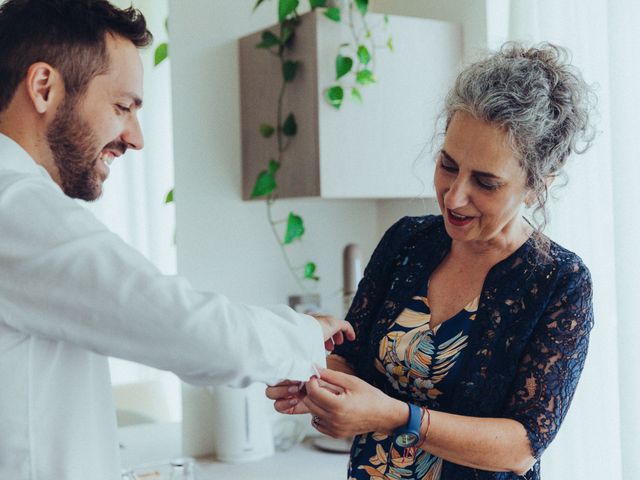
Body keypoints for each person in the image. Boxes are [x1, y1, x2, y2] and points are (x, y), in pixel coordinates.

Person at [0, 1, 354, 479]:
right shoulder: (17, 206)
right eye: (122, 107)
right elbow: (184, 327)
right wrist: (307, 336)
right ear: (44, 88)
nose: (136, 137)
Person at [267, 43, 595, 479]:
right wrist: (309, 377)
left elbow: (521, 447)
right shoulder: (406, 240)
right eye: (448, 164)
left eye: (486, 181)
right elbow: (353, 359)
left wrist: (394, 417)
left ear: (538, 184)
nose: (454, 197)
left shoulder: (561, 282)